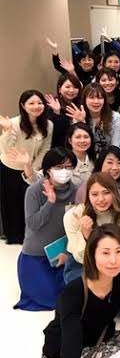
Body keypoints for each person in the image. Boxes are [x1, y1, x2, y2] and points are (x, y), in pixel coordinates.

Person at [41, 224, 120, 358]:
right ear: (92, 254)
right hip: (60, 356)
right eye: (105, 253)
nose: (113, 260)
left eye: (119, 251)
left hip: (98, 341)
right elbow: (72, 337)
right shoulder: (74, 291)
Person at [15, 148, 78, 311]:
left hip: (63, 253)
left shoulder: (77, 191)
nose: (64, 171)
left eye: (69, 167)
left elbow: (77, 227)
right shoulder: (34, 191)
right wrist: (50, 203)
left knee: (70, 297)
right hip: (36, 255)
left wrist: (67, 252)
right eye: (59, 167)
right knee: (49, 300)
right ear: (48, 169)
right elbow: (33, 224)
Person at [0, 89, 53, 244]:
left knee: (29, 203)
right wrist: (7, 130)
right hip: (10, 167)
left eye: (40, 103)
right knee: (11, 204)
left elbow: (45, 149)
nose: (36, 106)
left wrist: (31, 168)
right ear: (23, 106)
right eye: (31, 103)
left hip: (31, 169)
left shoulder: (48, 124)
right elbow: (6, 148)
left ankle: (29, 236)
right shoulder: (14, 123)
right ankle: (13, 236)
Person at [63, 172, 120, 283]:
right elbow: (80, 257)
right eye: (94, 194)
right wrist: (86, 236)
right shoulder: (73, 215)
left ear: (114, 193)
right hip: (81, 264)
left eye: (106, 193)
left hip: (113, 261)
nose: (101, 199)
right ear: (88, 196)